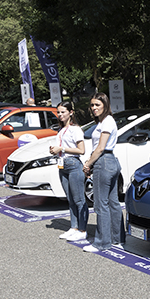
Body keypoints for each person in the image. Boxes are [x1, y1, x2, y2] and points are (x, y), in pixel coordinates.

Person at [82, 93, 123, 252]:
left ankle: (102, 243)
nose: (94, 108)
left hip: (104, 161)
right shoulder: (106, 121)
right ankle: (116, 239)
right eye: (92, 105)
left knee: (101, 204)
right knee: (113, 202)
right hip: (110, 161)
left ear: (105, 105)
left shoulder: (107, 121)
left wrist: (88, 164)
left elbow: (100, 147)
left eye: (97, 105)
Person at [51, 101, 88, 241]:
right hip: (62, 165)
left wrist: (62, 149)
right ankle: (74, 227)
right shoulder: (61, 130)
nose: (60, 115)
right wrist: (54, 150)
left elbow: (81, 150)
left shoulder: (75, 129)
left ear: (71, 113)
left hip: (73, 165)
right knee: (70, 199)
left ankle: (83, 230)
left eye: (63, 112)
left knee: (79, 199)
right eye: (58, 112)